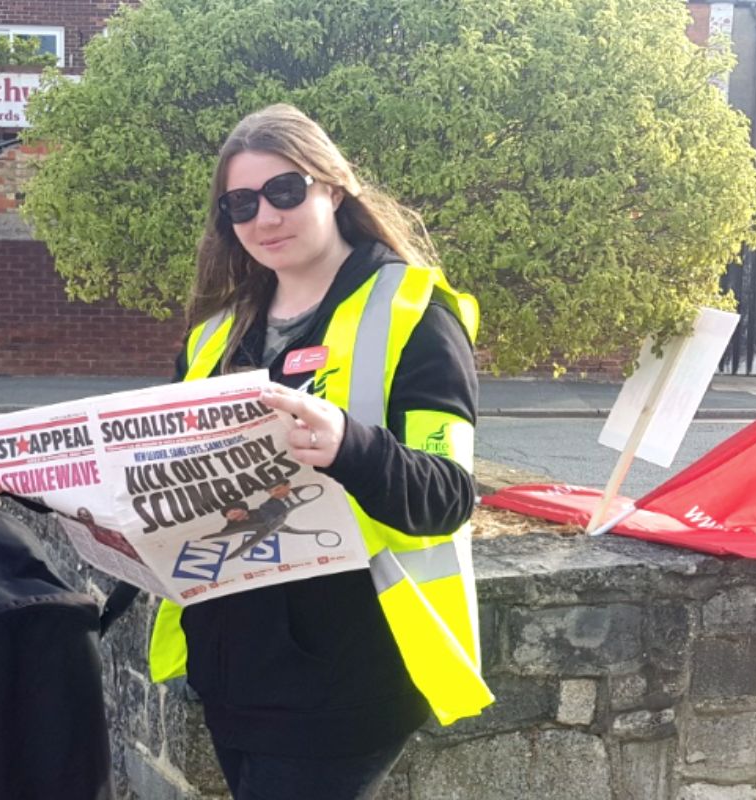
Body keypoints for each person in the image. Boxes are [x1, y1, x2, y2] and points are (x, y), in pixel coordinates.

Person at [147, 103, 493, 799]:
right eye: (240, 204)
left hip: (345, 674)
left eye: (284, 191)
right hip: (231, 666)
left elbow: (448, 494)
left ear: (333, 186)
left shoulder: (415, 312)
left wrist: (347, 445)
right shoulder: (213, 336)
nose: (263, 217)